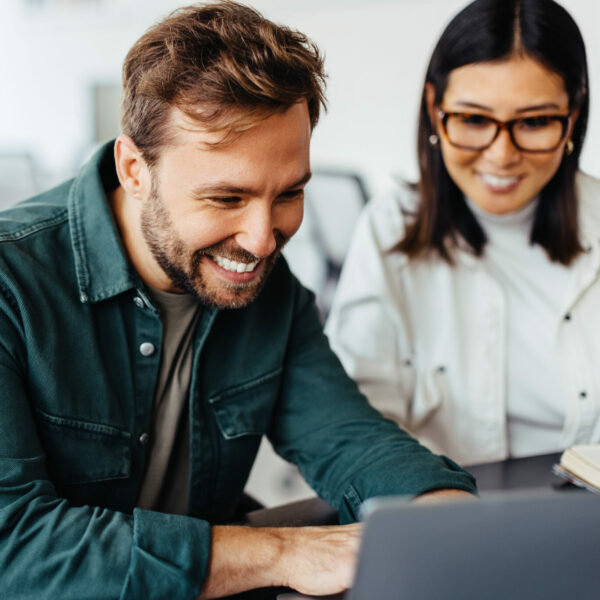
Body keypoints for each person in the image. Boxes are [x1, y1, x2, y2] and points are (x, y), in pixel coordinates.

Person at [0, 2, 476, 599]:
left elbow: (347, 437)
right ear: (134, 169)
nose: (261, 240)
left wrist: (452, 519)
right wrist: (281, 552)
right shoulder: (11, 285)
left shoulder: (269, 291)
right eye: (226, 198)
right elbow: (14, 547)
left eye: (289, 193)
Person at [326, 0, 599, 467]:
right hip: (444, 515)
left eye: (534, 122)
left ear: (571, 117)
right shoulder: (389, 228)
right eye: (474, 120)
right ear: (435, 110)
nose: (500, 156)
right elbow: (354, 422)